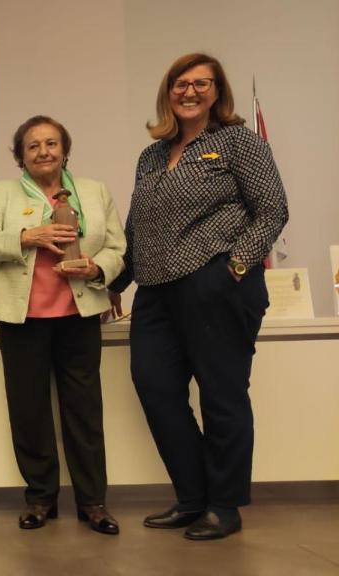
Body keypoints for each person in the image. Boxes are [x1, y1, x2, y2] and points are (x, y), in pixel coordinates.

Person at [109, 53, 288, 540]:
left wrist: (234, 265)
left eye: (201, 84)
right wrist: (115, 283)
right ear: (167, 92)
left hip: (217, 284)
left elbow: (272, 210)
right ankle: (192, 496)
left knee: (222, 395)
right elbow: (137, 227)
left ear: (217, 91)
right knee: (155, 388)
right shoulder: (151, 155)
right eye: (180, 84)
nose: (190, 92)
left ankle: (224, 505)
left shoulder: (237, 142)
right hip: (157, 290)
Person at [0, 115, 126, 534]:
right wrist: (25, 236)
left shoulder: (94, 192)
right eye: (34, 145)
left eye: (51, 143)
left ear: (65, 149)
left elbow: (117, 246)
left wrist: (98, 267)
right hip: (22, 319)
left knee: (84, 413)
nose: (44, 151)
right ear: (20, 156)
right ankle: (40, 499)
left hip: (79, 316)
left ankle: (93, 502)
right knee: (30, 412)